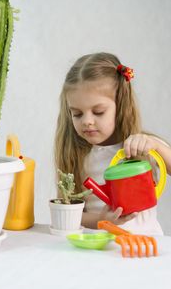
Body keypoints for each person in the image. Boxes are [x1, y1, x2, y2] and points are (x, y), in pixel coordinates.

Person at [54, 52, 171, 235]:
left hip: (146, 246)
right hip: (100, 248)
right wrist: (100, 220)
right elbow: (67, 212)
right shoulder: (76, 154)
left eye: (98, 112)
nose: (87, 121)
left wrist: (155, 145)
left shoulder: (144, 145)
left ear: (121, 106)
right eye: (77, 114)